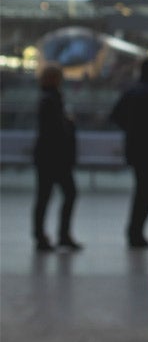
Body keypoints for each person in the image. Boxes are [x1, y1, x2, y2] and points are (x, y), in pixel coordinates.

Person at [111, 57, 148, 248]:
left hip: (135, 148)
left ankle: (135, 232)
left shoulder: (133, 91)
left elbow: (115, 115)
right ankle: (136, 233)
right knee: (146, 191)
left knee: (142, 189)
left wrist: (132, 130)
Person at [32, 64, 81, 252]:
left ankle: (42, 235)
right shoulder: (53, 100)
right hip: (56, 157)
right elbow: (56, 130)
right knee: (67, 193)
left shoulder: (47, 99)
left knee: (44, 196)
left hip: (47, 156)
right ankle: (61, 234)